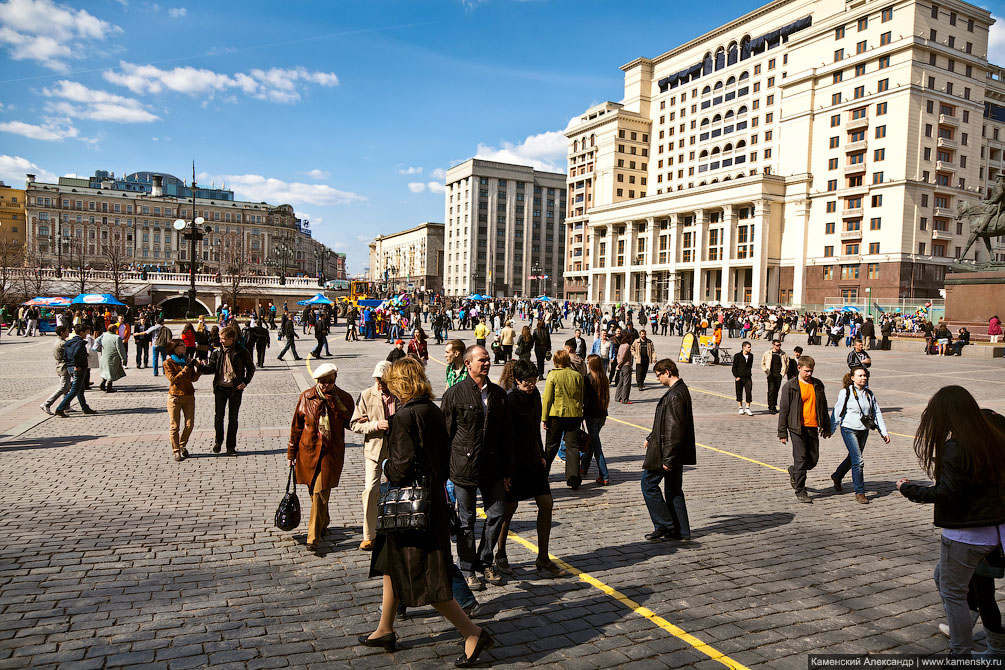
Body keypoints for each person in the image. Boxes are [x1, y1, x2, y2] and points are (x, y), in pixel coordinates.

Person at [361, 357, 494, 666]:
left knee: (425, 577)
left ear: (400, 384)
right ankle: (385, 628)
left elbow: (401, 467)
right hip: (430, 501)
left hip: (410, 510)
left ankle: (473, 632)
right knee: (391, 565)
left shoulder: (405, 416)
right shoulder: (432, 410)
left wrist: (385, 466)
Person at [897, 388, 1005, 657]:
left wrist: (908, 489)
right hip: (993, 531)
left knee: (953, 592)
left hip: (966, 535)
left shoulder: (957, 446)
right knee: (959, 585)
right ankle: (976, 636)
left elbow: (947, 492)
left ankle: (960, 653)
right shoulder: (989, 433)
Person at [440, 345, 512, 590]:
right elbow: (445, 434)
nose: (486, 363)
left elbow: (505, 436)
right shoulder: (454, 394)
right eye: (481, 360)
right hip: (463, 467)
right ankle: (468, 567)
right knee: (466, 520)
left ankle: (485, 560)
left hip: (492, 466)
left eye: (488, 359)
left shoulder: (498, 395)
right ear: (468, 363)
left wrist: (507, 471)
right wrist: (442, 472)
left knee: (497, 513)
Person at [495, 359, 567, 577]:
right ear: (517, 380)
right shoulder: (509, 400)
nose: (532, 384)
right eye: (527, 381)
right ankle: (501, 554)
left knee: (546, 503)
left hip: (534, 461)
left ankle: (543, 558)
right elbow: (504, 437)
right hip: (514, 463)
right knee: (509, 510)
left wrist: (542, 454)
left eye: (534, 380)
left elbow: (536, 428)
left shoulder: (535, 396)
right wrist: (505, 471)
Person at [287, 362, 354, 552]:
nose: (325, 385)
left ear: (335, 379)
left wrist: (338, 407)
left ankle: (313, 538)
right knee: (312, 491)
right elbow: (296, 427)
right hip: (308, 451)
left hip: (329, 453)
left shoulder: (344, 398)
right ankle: (323, 520)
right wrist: (291, 452)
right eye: (322, 382)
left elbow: (351, 423)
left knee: (319, 492)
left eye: (329, 381)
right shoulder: (306, 397)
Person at [642, 359, 695, 542]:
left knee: (648, 484)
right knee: (673, 489)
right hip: (673, 450)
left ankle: (665, 524)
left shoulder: (674, 395)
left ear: (667, 372)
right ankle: (682, 531)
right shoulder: (680, 390)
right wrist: (651, 437)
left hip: (667, 451)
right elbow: (666, 422)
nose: (658, 380)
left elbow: (674, 430)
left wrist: (668, 459)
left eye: (659, 375)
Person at [350, 361, 396, 551]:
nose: (380, 383)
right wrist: (375, 425)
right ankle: (369, 535)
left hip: (396, 450)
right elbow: (354, 424)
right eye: (377, 379)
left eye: (383, 380)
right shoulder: (366, 395)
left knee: (397, 489)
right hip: (374, 449)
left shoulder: (400, 395)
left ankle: (397, 529)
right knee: (370, 489)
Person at [829, 368, 890, 503]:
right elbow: (837, 411)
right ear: (852, 378)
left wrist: (884, 432)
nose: (863, 378)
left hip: (864, 429)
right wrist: (831, 429)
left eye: (865, 375)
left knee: (853, 458)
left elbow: (877, 413)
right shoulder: (846, 392)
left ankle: (837, 476)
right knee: (858, 461)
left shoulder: (869, 394)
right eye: (860, 375)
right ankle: (860, 492)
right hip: (848, 428)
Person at [778, 355, 831, 504]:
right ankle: (801, 490)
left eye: (811, 371)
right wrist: (782, 432)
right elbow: (784, 410)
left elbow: (823, 406)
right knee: (800, 460)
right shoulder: (790, 386)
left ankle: (794, 470)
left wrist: (826, 427)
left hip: (813, 427)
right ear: (799, 368)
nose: (809, 374)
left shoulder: (818, 385)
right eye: (807, 371)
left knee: (812, 460)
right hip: (797, 428)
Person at [198, 326, 255, 456]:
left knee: (233, 419)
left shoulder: (241, 351)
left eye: (223, 339)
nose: (221, 341)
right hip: (220, 388)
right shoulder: (217, 352)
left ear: (231, 339)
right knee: (219, 417)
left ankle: (231, 447)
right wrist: (200, 367)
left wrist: (245, 382)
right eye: (220, 338)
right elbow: (211, 368)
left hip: (235, 389)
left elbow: (251, 368)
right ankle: (218, 442)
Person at [542, 349, 585, 490]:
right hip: (574, 415)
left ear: (556, 361)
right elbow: (581, 396)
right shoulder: (577, 375)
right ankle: (574, 479)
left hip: (556, 414)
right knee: (573, 447)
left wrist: (544, 417)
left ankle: (543, 474)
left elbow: (547, 399)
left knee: (551, 446)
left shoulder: (553, 375)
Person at [163, 338, 202, 462]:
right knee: (174, 426)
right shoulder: (168, 363)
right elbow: (173, 380)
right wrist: (186, 368)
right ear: (174, 348)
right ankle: (176, 451)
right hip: (175, 397)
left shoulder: (187, 360)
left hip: (189, 395)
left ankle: (182, 445)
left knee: (189, 425)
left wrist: (198, 368)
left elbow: (193, 378)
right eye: (181, 345)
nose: (184, 346)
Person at [53, 325, 97, 417]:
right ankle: (60, 408)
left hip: (70, 367)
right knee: (75, 390)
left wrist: (69, 364)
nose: (86, 334)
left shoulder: (69, 342)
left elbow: (65, 355)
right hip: (78, 368)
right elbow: (77, 354)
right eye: (85, 332)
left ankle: (85, 407)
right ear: (81, 332)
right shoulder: (80, 343)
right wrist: (77, 365)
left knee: (80, 389)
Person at [582, 354, 611, 486]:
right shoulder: (604, 377)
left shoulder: (588, 379)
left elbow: (585, 399)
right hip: (602, 414)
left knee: (597, 445)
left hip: (591, 415)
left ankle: (604, 475)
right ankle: (584, 466)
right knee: (593, 441)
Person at [40, 326, 70, 415]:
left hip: (60, 365)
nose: (68, 332)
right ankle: (47, 403)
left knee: (67, 387)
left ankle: (66, 406)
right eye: (67, 330)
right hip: (63, 366)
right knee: (63, 387)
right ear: (62, 332)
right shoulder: (63, 343)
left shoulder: (58, 341)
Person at [760, 339, 789, 414]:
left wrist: (783, 373)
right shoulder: (768, 353)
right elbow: (763, 363)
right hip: (771, 374)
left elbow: (787, 363)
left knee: (776, 390)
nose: (779, 347)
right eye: (777, 345)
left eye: (780, 345)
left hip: (779, 374)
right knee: (771, 390)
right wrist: (766, 371)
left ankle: (774, 406)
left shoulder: (783, 354)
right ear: (773, 345)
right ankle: (770, 406)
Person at [97, 324, 126, 393]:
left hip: (104, 356)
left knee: (106, 371)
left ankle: (103, 383)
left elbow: (97, 341)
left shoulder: (104, 335)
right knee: (112, 372)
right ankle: (109, 386)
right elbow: (120, 348)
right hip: (113, 357)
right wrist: (124, 358)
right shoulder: (117, 337)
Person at [731, 341, 754, 416]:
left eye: (750, 347)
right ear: (744, 347)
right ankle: (740, 407)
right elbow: (734, 367)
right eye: (748, 347)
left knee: (748, 392)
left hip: (748, 377)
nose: (750, 348)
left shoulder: (751, 356)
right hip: (739, 377)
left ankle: (747, 408)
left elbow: (749, 366)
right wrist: (736, 376)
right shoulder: (737, 356)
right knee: (739, 392)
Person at [614, 332, 633, 404]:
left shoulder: (621, 345)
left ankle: (617, 397)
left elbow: (618, 356)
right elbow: (624, 357)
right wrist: (620, 364)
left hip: (621, 366)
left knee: (620, 382)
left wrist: (619, 364)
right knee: (626, 383)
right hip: (626, 365)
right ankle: (625, 398)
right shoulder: (627, 346)